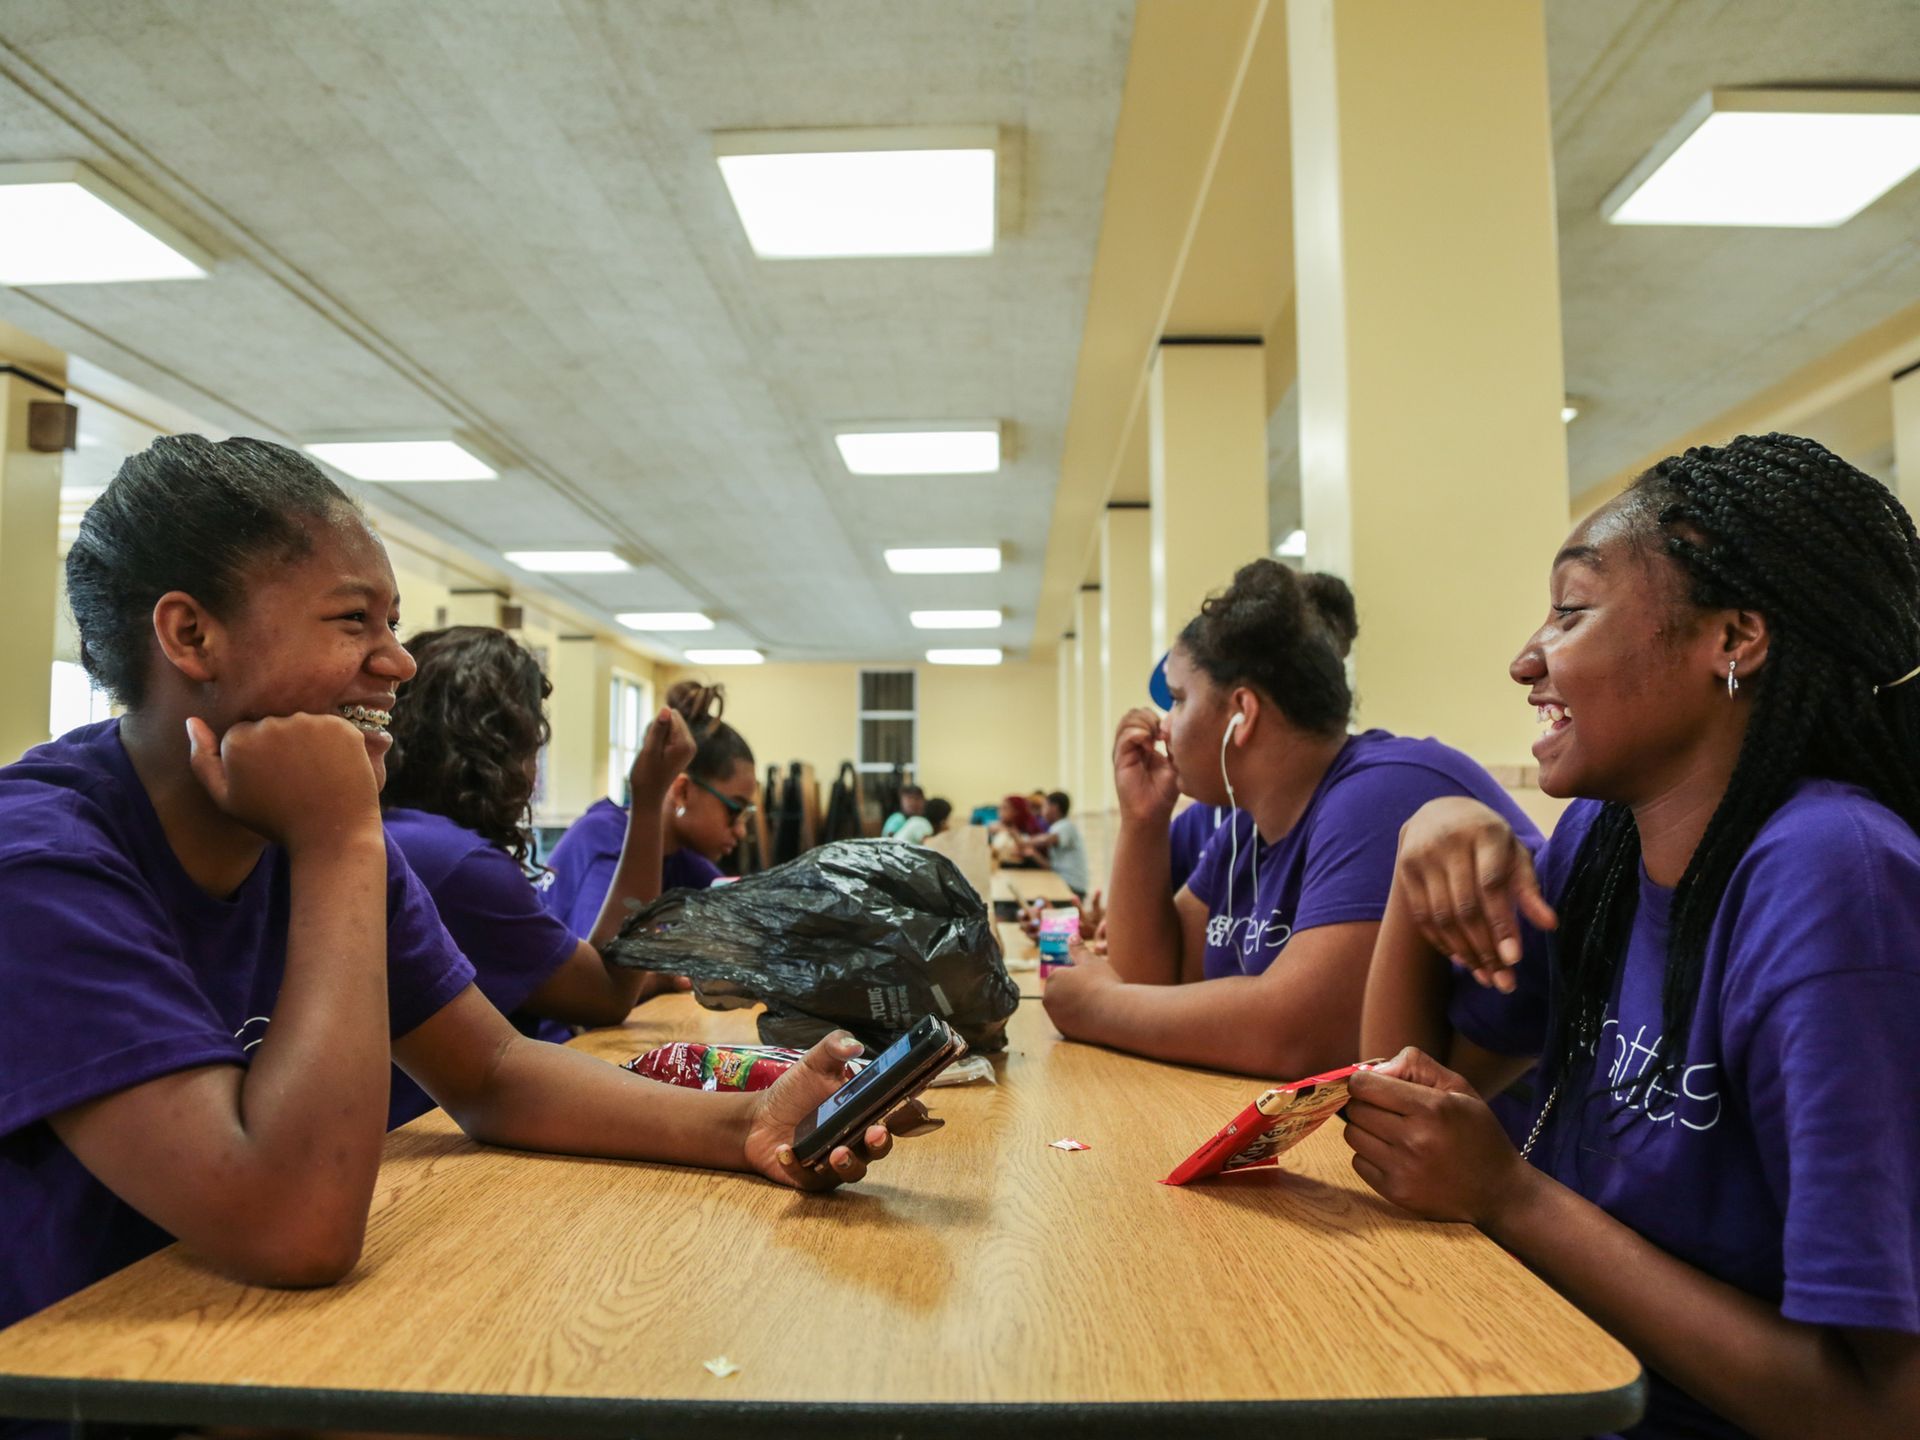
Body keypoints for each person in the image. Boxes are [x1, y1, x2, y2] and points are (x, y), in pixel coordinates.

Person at [0, 437, 923, 1355]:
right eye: (354, 621)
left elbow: (491, 1072)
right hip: (104, 1373)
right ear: (192, 635)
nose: (397, 662)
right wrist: (338, 839)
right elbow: (294, 1227)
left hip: (270, 1347)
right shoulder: (42, 860)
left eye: (393, 623)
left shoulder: (312, 823)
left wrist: (747, 1124)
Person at [1346, 434, 1920, 1440]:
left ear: (1734, 641)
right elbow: (1408, 1111)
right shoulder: (1607, 840)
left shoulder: (1835, 881)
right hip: (1534, 1377)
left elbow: (1884, 1409)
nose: (1527, 659)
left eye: (1571, 611)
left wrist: (1514, 1200)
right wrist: (1411, 865)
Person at [1041, 558, 1538, 1080]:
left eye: (1180, 700)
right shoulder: (1245, 826)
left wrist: (1098, 1007)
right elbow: (1151, 978)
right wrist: (1143, 821)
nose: (1164, 726)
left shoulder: (1385, 789)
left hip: (1483, 1150)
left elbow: (1304, 1035)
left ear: (1242, 714)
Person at [379, 626, 693, 1127]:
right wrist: (649, 800)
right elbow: (608, 993)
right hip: (428, 1144)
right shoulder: (457, 863)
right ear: (500, 750)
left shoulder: (394, 831)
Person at [543, 682, 757, 938]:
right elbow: (606, 966)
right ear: (682, 792)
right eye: (735, 811)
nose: (741, 831)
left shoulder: (682, 860)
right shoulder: (605, 842)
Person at [1019, 790, 1090, 897]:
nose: (1042, 812)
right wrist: (1033, 854)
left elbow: (1046, 840)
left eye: (1044, 807)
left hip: (1072, 886)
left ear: (1054, 807)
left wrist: (1023, 841)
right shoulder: (1055, 828)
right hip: (1062, 882)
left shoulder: (1065, 826)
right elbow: (1051, 866)